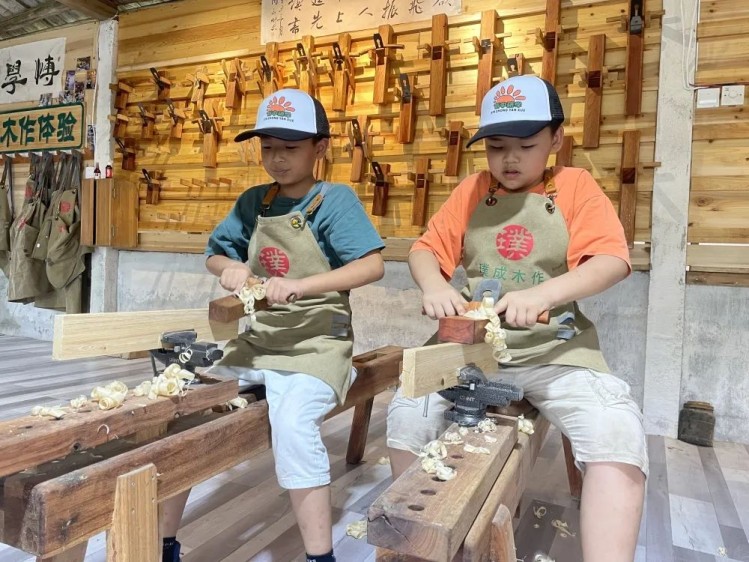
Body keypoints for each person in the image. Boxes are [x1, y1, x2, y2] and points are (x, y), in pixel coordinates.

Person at [386, 75, 647, 561]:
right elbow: (424, 250)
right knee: (407, 414)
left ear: (556, 139)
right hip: (471, 349)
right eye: (496, 147)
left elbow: (612, 259)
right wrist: (435, 286)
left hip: (555, 351)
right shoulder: (472, 190)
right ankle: (422, 544)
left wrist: (544, 293)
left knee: (617, 431)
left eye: (526, 146)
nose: (509, 159)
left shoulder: (575, 187)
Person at [160, 88, 385, 562]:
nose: (277, 159)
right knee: (185, 408)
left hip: (317, 344)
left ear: (320, 148)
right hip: (259, 341)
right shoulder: (254, 202)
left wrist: (302, 285)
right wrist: (230, 268)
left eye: (290, 148)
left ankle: (319, 555)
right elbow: (215, 252)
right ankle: (164, 543)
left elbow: (371, 265)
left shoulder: (334, 201)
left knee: (292, 422)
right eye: (268, 148)